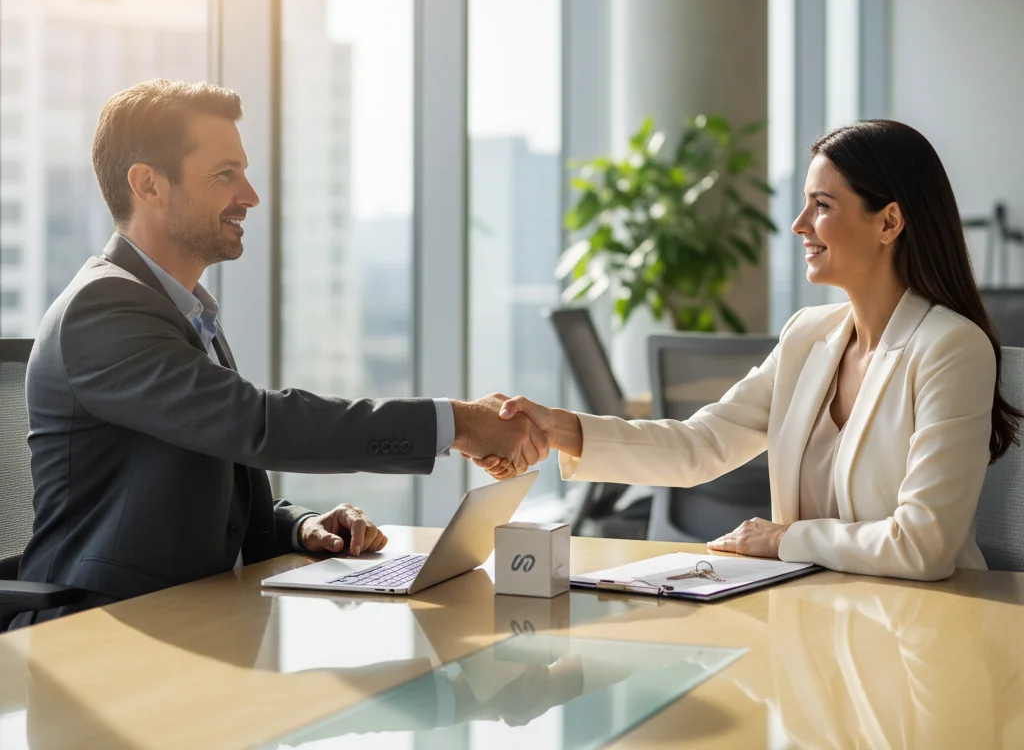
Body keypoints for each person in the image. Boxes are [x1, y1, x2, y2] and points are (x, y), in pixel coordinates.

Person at [13, 80, 544, 626]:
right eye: (225, 175)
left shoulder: (185, 311)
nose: (250, 195)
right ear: (148, 184)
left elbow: (205, 474)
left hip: (192, 617)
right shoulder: (103, 309)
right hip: (97, 629)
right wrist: (456, 423)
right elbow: (258, 425)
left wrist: (299, 525)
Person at [479, 120, 1022, 581]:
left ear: (889, 222)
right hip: (814, 619)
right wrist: (553, 429)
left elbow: (922, 547)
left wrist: (785, 539)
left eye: (821, 205)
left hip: (923, 634)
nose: (799, 225)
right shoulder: (807, 337)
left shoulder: (951, 348)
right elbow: (699, 444)